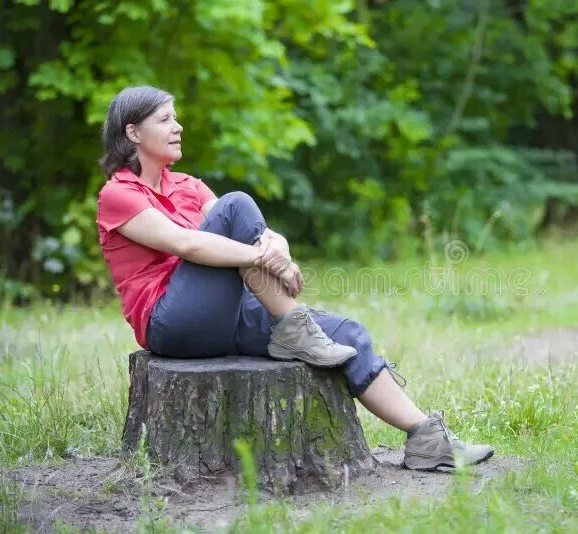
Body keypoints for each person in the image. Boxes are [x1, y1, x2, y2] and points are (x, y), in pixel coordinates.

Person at [96, 85, 494, 470]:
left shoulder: (189, 186)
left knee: (346, 334)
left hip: (224, 315)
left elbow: (252, 231)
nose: (178, 126)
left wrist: (278, 245)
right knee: (237, 203)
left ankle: (426, 439)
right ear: (133, 132)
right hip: (172, 323)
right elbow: (189, 245)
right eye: (165, 119)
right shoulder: (118, 195)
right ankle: (294, 326)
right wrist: (264, 258)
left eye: (176, 117)